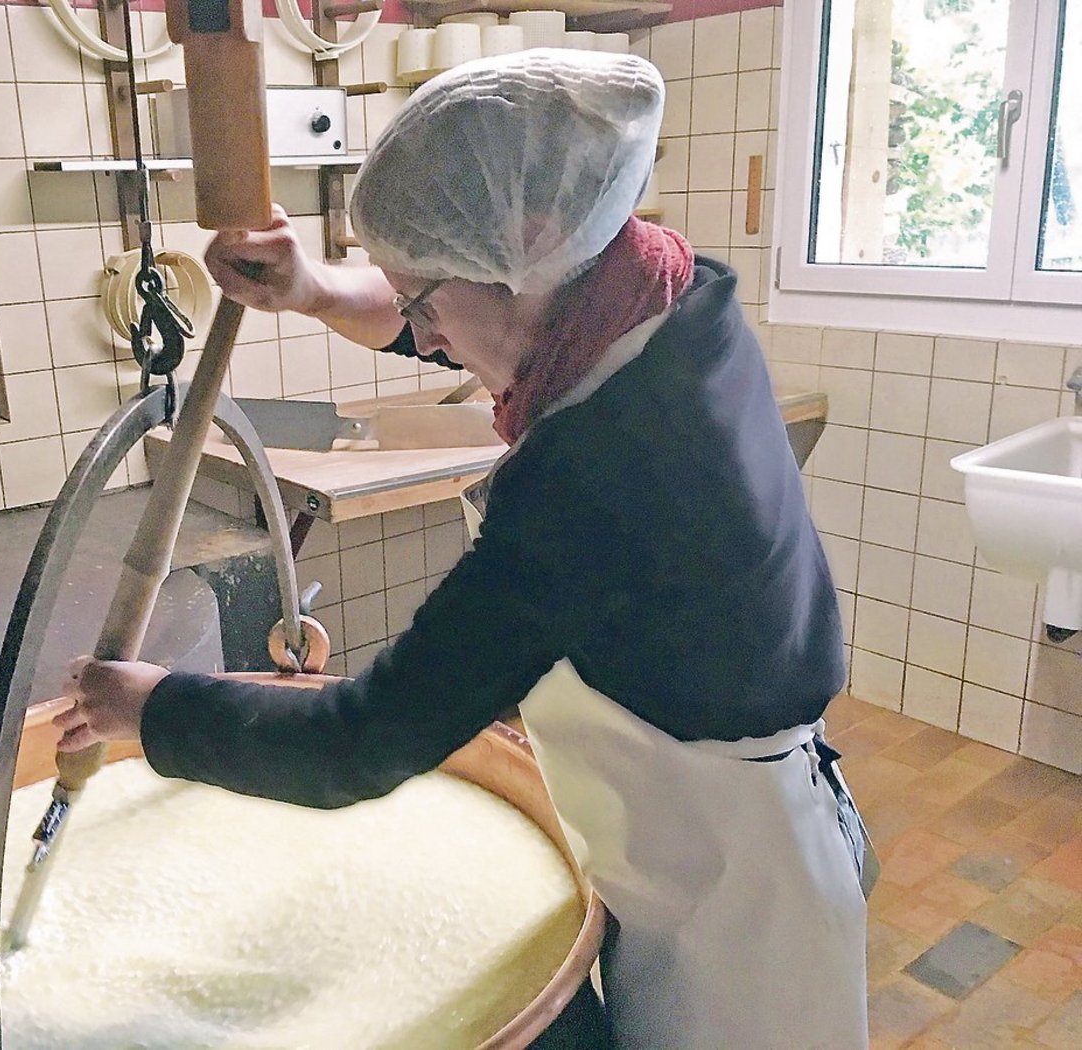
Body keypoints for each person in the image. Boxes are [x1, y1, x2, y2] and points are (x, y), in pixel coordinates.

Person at [55, 49, 870, 1049]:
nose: (426, 340)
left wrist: (144, 705)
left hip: (742, 914)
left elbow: (358, 743)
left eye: (423, 303)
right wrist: (310, 288)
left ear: (524, 245)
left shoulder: (595, 469)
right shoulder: (657, 291)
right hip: (703, 834)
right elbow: (471, 317)